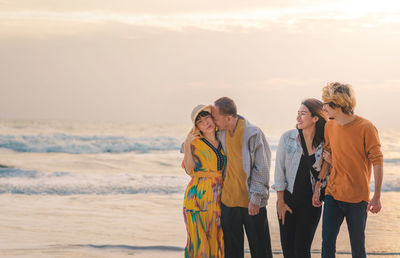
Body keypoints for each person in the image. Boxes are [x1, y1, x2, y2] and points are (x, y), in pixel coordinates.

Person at [313, 82, 384, 258]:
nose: (323, 107)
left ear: (337, 104)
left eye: (326, 103)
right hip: (333, 194)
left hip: (357, 197)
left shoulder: (366, 127)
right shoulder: (330, 126)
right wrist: (319, 184)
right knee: (327, 244)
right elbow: (328, 159)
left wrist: (376, 196)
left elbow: (377, 161)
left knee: (358, 248)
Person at [211, 97, 273, 258]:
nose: (213, 121)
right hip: (228, 202)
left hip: (251, 202)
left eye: (216, 118)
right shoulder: (220, 133)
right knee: (231, 252)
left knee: (260, 250)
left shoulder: (253, 133)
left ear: (229, 118)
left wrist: (256, 198)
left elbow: (263, 168)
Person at [273, 98, 330, 258]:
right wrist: (281, 202)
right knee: (288, 252)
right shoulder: (287, 138)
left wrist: (319, 186)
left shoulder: (324, 143)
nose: (298, 117)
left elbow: (327, 174)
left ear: (315, 118)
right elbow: (279, 173)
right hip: (287, 202)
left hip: (311, 205)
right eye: (298, 113)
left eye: (303, 114)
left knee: (302, 251)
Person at [182, 104, 226, 258]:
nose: (205, 122)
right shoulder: (195, 144)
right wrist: (187, 146)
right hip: (197, 200)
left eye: (207, 117)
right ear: (197, 127)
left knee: (217, 242)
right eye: (200, 121)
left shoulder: (223, 140)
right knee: (199, 245)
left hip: (217, 199)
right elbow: (189, 170)